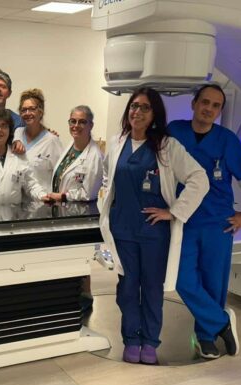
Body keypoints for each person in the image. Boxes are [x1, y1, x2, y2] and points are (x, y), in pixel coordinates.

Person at [99, 88, 208, 365]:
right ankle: (131, 340)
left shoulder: (167, 146)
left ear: (154, 114)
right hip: (122, 229)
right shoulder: (117, 143)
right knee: (127, 288)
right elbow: (107, 179)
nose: (137, 112)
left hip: (153, 232)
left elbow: (199, 178)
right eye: (134, 106)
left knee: (151, 288)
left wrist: (174, 212)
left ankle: (149, 342)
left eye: (145, 108)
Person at [169, 84, 241, 360]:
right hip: (183, 219)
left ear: (220, 111)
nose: (209, 109)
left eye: (216, 105)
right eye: (205, 102)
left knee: (213, 281)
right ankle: (220, 321)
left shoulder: (226, 139)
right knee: (180, 278)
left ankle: (206, 337)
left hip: (217, 221)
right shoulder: (175, 131)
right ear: (194, 103)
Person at [43, 105, 103, 203]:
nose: (76, 125)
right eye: (73, 121)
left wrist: (64, 197)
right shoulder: (70, 145)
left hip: (78, 210)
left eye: (82, 122)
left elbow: (89, 194)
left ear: (91, 125)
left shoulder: (96, 157)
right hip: (59, 208)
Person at [13, 89, 63, 195]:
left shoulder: (52, 141)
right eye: (24, 110)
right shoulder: (18, 133)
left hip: (42, 202)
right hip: (17, 201)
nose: (27, 113)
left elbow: (61, 176)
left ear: (40, 112)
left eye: (32, 109)